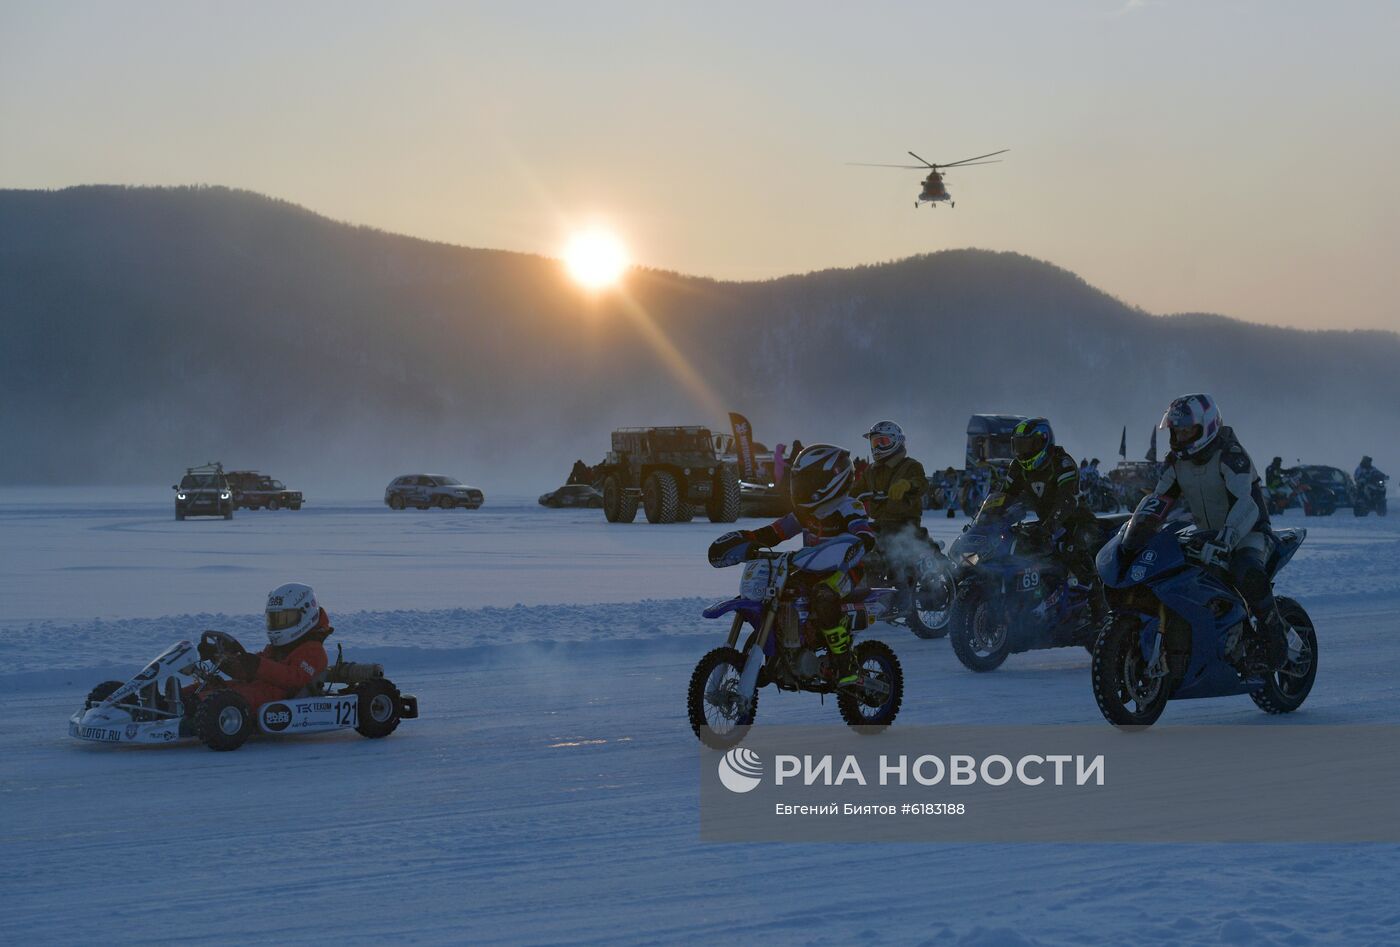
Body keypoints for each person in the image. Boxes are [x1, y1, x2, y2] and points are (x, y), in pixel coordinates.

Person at [709, 445, 876, 686]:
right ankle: (785, 650)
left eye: (810, 479)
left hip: (846, 570)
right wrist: (747, 539)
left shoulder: (849, 506)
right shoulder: (803, 513)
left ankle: (845, 662)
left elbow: (862, 529)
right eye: (800, 479)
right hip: (809, 568)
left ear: (833, 478)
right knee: (778, 591)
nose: (802, 486)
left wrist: (861, 539)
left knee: (824, 595)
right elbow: (776, 532)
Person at [1150, 394, 1288, 670]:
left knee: (1245, 570)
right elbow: (1159, 501)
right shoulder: (1176, 462)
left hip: (1250, 531)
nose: (1180, 435)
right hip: (1208, 534)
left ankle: (1274, 634)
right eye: (1177, 429)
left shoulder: (1230, 454)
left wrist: (1228, 538)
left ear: (1207, 427)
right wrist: (1139, 529)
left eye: (1187, 429)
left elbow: (1245, 503)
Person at [992, 417, 1105, 622]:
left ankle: (1101, 611)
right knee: (1019, 548)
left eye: (1027, 445)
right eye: (1018, 445)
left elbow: (1067, 500)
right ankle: (1030, 602)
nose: (1022, 451)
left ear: (1042, 441)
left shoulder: (1062, 463)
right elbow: (1005, 494)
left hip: (1076, 520)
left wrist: (1050, 526)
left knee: (1072, 552)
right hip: (1047, 522)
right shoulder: (1017, 467)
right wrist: (988, 518)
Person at [196, 583, 332, 708]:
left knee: (235, 696)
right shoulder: (278, 648)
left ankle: (198, 706)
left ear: (306, 614)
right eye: (274, 619)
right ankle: (181, 698)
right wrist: (221, 659)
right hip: (259, 689)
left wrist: (259, 665)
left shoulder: (313, 651)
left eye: (284, 619)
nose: (278, 624)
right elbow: (247, 673)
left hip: (280, 698)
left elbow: (294, 679)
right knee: (215, 687)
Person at [852, 420, 929, 535]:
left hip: (906, 527)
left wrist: (907, 485)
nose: (877, 446)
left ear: (896, 441)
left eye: (883, 441)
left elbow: (921, 482)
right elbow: (855, 492)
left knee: (898, 548)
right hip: (879, 525)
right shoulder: (871, 471)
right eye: (875, 443)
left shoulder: (911, 465)